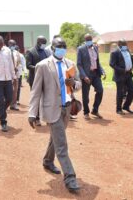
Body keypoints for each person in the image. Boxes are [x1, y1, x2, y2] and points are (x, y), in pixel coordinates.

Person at [28, 37, 81, 193]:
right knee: (62, 144)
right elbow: (36, 91)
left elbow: (78, 85)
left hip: (67, 108)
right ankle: (70, 178)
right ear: (52, 48)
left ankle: (47, 161)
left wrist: (74, 84)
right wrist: (32, 113)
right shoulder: (43, 66)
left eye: (64, 46)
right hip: (52, 109)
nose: (62, 49)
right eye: (59, 46)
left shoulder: (70, 64)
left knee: (56, 138)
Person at [77, 34, 106, 120]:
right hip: (86, 75)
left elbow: (97, 62)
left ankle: (95, 110)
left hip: (96, 74)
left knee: (100, 90)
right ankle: (86, 112)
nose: (89, 41)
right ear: (85, 40)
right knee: (85, 95)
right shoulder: (81, 49)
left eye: (90, 39)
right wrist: (84, 76)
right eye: (87, 39)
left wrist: (103, 71)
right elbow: (79, 64)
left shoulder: (95, 48)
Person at [26, 36, 50, 126]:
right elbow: (28, 65)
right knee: (37, 98)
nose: (44, 45)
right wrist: (38, 68)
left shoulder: (46, 52)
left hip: (46, 78)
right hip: (34, 79)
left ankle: (48, 117)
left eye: (45, 43)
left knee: (47, 98)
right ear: (38, 42)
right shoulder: (30, 52)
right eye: (43, 43)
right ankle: (36, 118)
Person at [109, 39, 133, 115]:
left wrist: (132, 67)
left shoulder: (127, 51)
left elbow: (132, 61)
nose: (125, 46)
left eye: (125, 44)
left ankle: (126, 106)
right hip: (120, 75)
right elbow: (112, 64)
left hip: (128, 74)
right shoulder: (115, 53)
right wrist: (121, 70)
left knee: (132, 89)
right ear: (119, 45)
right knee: (120, 92)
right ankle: (118, 109)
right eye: (123, 44)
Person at [7, 39, 22, 111]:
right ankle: (5, 104)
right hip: (7, 75)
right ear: (8, 45)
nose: (13, 46)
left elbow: (19, 63)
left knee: (15, 90)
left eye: (14, 45)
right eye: (11, 45)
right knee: (7, 90)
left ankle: (13, 104)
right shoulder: (5, 52)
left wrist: (16, 69)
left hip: (16, 75)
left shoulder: (17, 53)